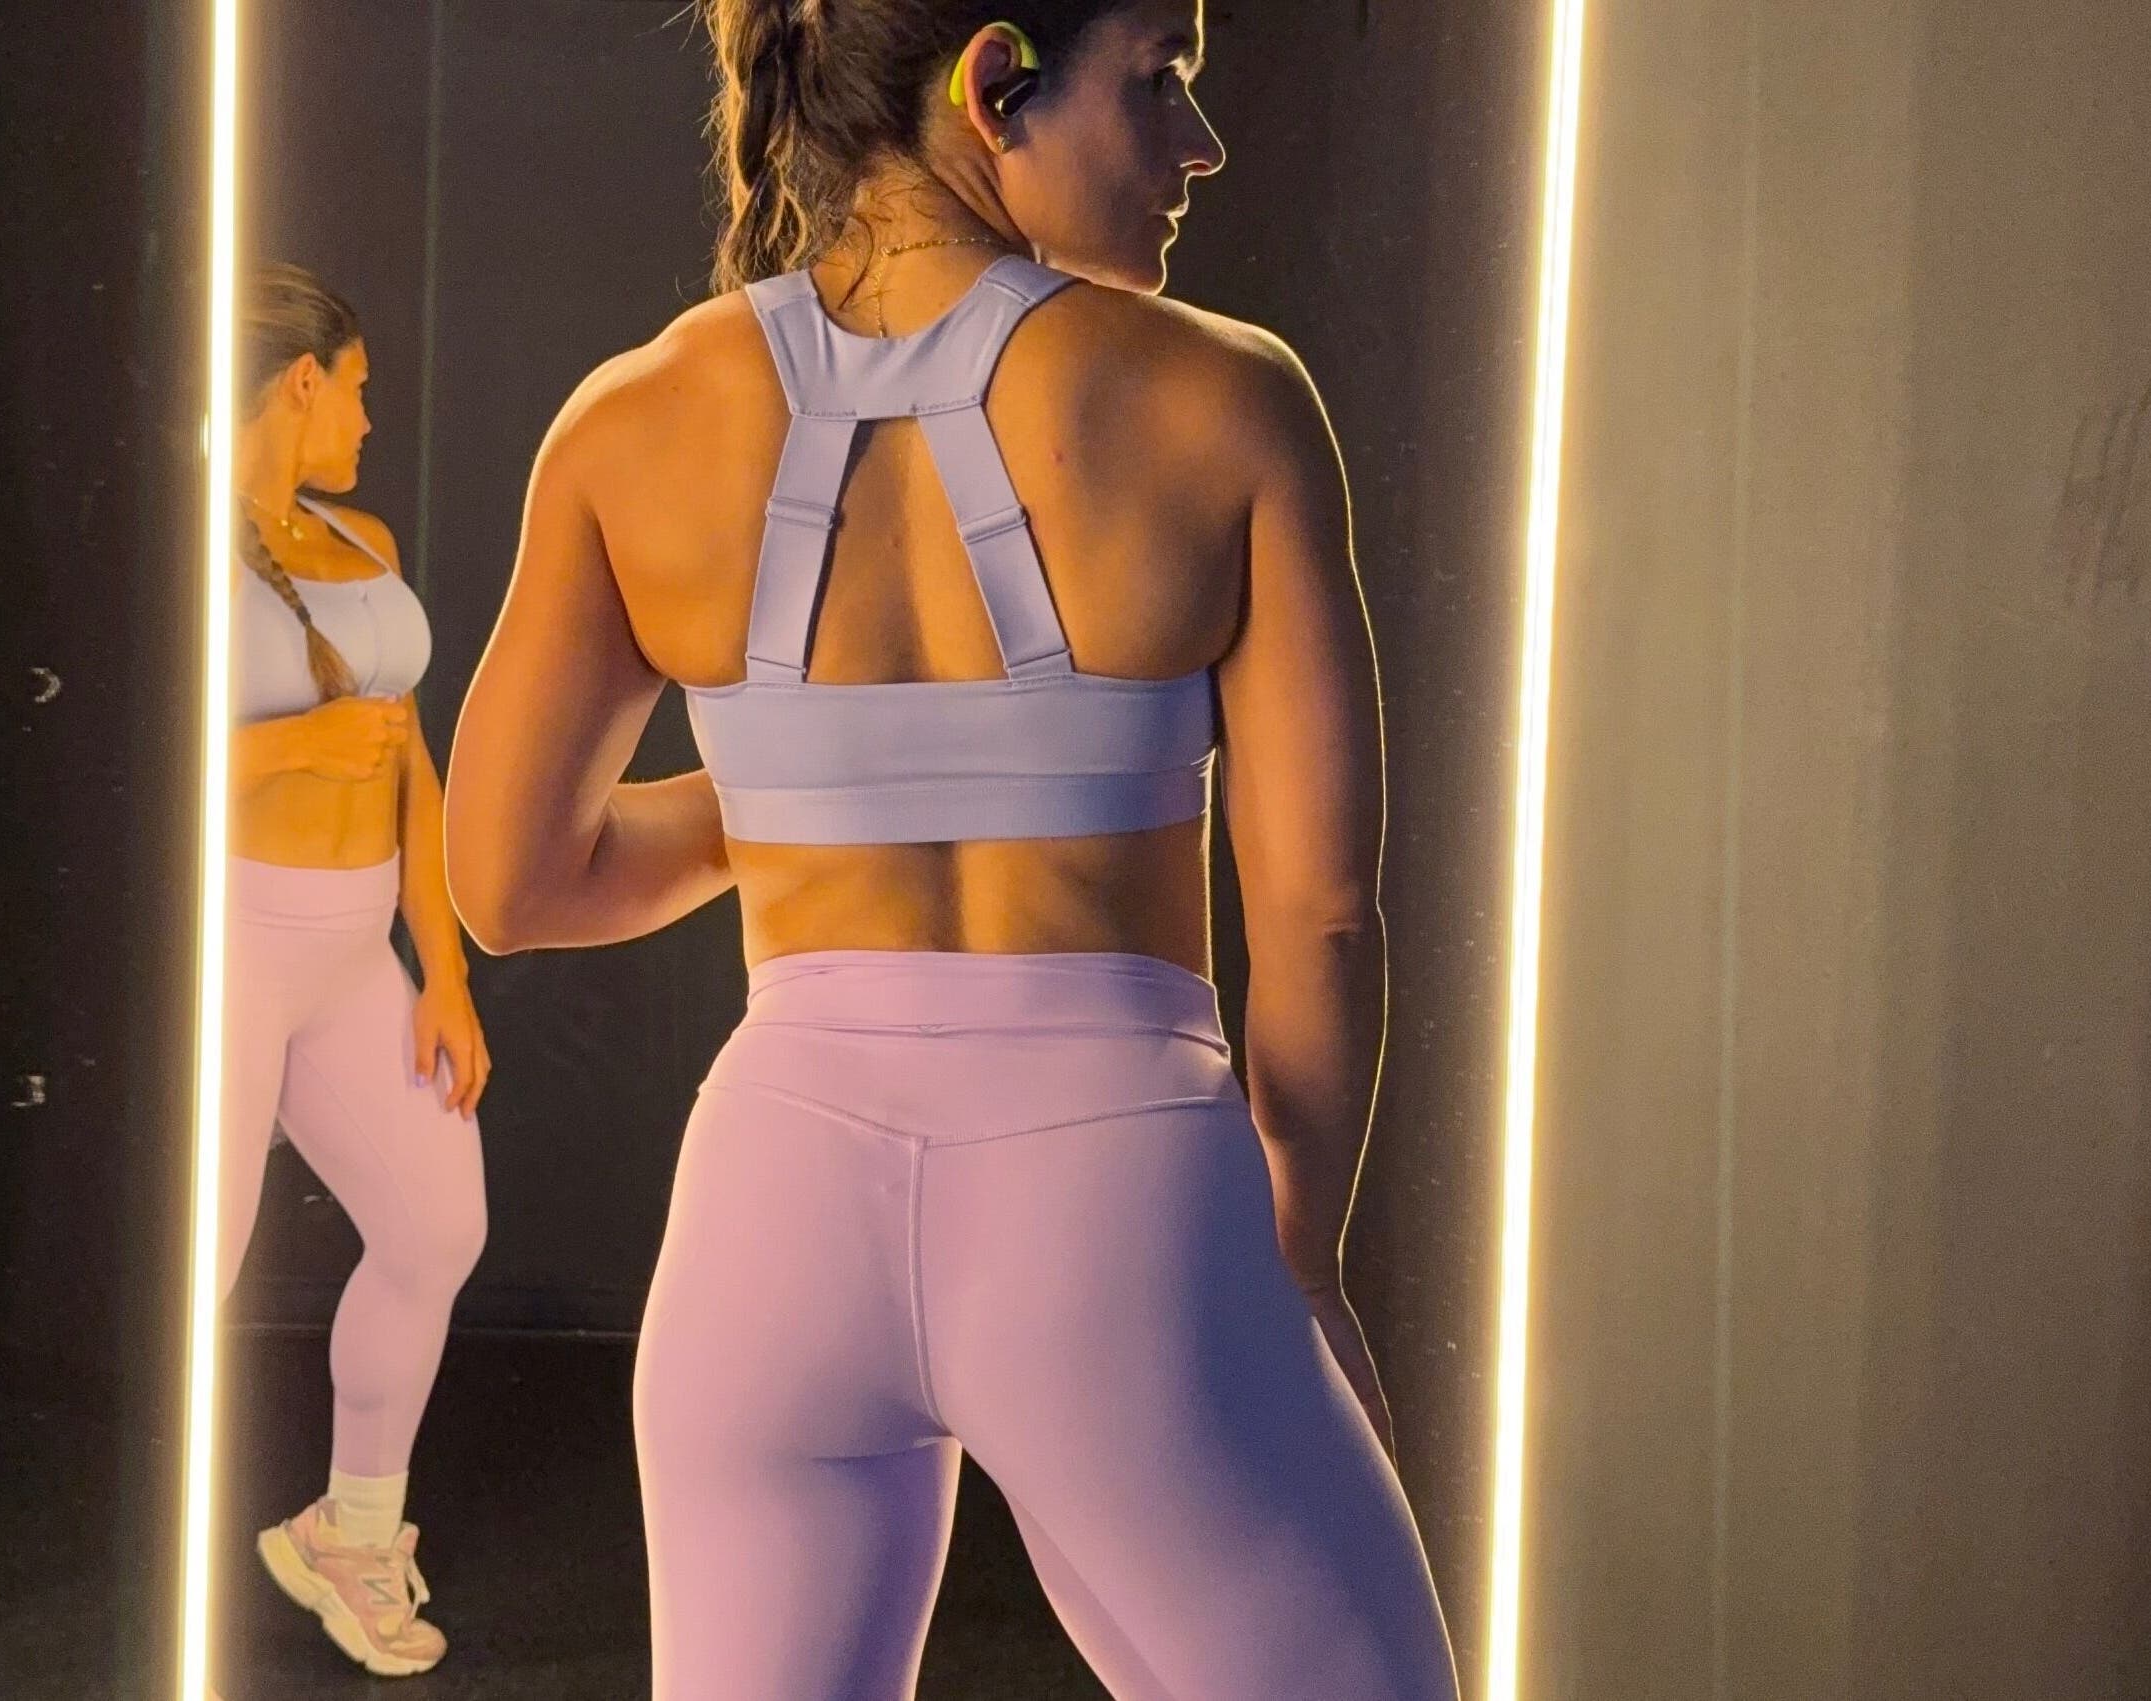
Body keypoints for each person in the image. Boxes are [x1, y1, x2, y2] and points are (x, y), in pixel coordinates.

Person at [446, 5, 1461, 1696]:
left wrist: (801, 783)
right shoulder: (1223, 400)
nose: (1195, 144)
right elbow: (1321, 915)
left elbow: (510, 882)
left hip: (768, 1208)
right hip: (1112, 1198)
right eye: (1160, 78)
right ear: (993, 83)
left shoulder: (629, 421)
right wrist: (1293, 1262)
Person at [223, 262, 491, 1677]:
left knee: (438, 1223)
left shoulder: (359, 535)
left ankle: (348, 1530)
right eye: (362, 388)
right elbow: (123, 769)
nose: (371, 421)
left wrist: (438, 971)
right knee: (195, 1268)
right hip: (230, 948)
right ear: (303, 378)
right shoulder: (178, 547)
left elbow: (413, 771)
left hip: (353, 948)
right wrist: (286, 747)